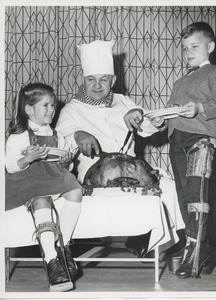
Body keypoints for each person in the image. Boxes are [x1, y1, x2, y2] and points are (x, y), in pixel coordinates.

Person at [56, 39, 184, 258]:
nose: (97, 86)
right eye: (91, 79)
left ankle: (156, 242)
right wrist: (77, 135)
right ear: (83, 79)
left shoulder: (123, 101)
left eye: (103, 79)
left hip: (133, 171)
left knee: (170, 188)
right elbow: (60, 143)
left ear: (113, 79)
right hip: (96, 175)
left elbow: (146, 123)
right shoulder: (71, 109)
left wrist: (148, 120)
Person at [150, 22, 216, 278]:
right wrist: (161, 120)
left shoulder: (215, 72)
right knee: (185, 198)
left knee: (198, 199)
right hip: (177, 142)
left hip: (200, 141)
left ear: (210, 47)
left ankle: (193, 254)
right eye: (185, 48)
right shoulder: (180, 80)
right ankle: (201, 252)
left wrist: (198, 107)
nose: (188, 52)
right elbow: (175, 111)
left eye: (194, 47)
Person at [5, 83, 83, 291]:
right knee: (41, 200)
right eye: (46, 106)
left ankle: (63, 246)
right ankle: (51, 261)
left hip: (52, 178)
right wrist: (28, 158)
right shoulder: (18, 136)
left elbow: (67, 165)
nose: (52, 110)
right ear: (29, 109)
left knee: (76, 189)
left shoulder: (57, 135)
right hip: (28, 182)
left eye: (53, 106)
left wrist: (66, 161)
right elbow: (11, 166)